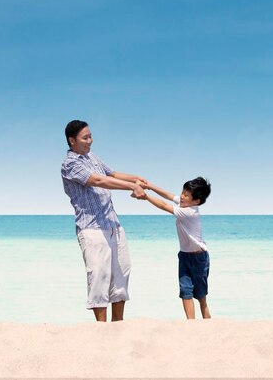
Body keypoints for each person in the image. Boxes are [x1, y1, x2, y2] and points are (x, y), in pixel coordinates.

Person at [61, 120, 147, 322]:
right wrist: (130, 187)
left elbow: (113, 174)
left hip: (113, 226)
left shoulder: (92, 157)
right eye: (85, 138)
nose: (90, 141)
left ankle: (118, 326)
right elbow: (98, 180)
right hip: (91, 229)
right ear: (72, 141)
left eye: (90, 136)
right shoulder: (70, 164)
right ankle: (101, 330)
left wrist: (137, 179)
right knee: (99, 277)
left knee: (121, 276)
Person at [136, 177, 212, 319]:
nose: (182, 197)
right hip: (184, 256)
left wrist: (145, 196)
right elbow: (168, 195)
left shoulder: (189, 212)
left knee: (201, 296)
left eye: (186, 195)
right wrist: (150, 185)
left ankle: (208, 323)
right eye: (182, 192)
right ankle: (191, 324)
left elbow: (165, 205)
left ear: (196, 201)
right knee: (185, 291)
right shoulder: (184, 204)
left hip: (199, 258)